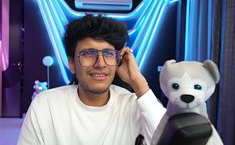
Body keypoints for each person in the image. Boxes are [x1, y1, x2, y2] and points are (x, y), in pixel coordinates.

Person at [17, 15, 166, 145]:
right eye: (88, 53)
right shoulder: (46, 104)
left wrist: (138, 82)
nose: (100, 64)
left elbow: (168, 139)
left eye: (108, 54)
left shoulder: (134, 105)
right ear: (71, 63)